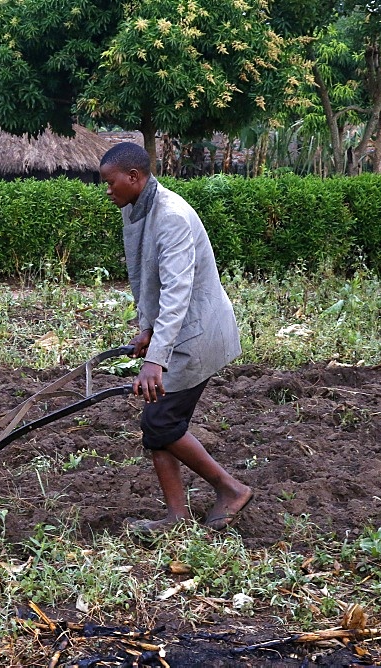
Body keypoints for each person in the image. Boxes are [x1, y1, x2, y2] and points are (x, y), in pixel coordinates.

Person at [99, 142, 253, 534]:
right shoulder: (138, 209)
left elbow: (178, 292)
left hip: (197, 334)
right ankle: (177, 516)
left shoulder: (171, 216)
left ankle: (230, 489)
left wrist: (156, 359)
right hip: (177, 333)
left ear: (133, 177)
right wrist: (146, 330)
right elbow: (147, 278)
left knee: (160, 420)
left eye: (110, 182)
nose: (107, 190)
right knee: (160, 422)